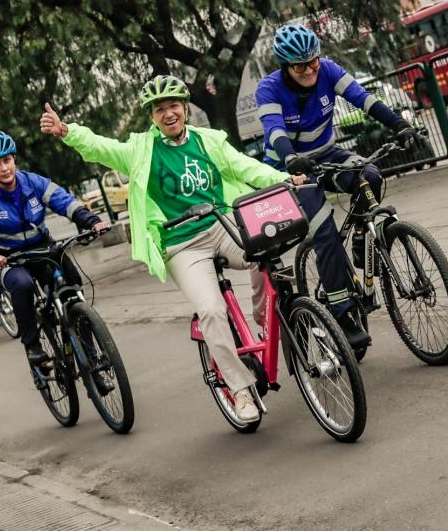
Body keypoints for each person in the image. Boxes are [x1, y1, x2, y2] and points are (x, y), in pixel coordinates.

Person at [40, 75, 305, 424]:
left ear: (185, 109)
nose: (168, 113)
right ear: (152, 116)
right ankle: (240, 390)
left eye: (174, 106)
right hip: (183, 243)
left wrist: (284, 179)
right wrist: (67, 132)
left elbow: (246, 166)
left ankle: (265, 319)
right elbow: (102, 148)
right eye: (160, 109)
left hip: (222, 225)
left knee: (267, 256)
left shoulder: (208, 140)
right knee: (211, 310)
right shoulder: (141, 150)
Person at [255, 24, 421, 349]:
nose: (310, 69)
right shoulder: (269, 88)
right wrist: (290, 159)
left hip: (327, 154)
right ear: (285, 66)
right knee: (324, 231)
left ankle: (361, 238)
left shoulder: (328, 70)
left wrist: (400, 125)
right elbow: (273, 130)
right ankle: (342, 311)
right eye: (301, 65)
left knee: (369, 175)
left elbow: (365, 100)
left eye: (313, 60)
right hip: (292, 170)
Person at [0, 131, 108, 365]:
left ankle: (91, 353)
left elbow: (63, 201)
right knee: (21, 285)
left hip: (42, 247)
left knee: (72, 286)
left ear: (14, 159)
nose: (4, 168)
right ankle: (32, 346)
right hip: (6, 257)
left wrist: (91, 221)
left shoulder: (32, 182)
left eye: (7, 160)